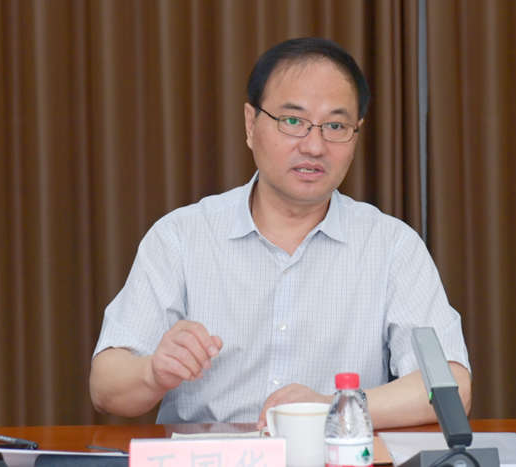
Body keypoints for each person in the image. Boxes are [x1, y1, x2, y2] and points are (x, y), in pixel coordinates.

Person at [89, 37, 471, 430]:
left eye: (335, 126)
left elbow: (451, 387)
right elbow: (104, 386)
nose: (314, 146)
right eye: (292, 121)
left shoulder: (392, 246)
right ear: (250, 124)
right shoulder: (181, 237)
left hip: (333, 454)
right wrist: (153, 372)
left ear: (356, 135)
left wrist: (332, 407)